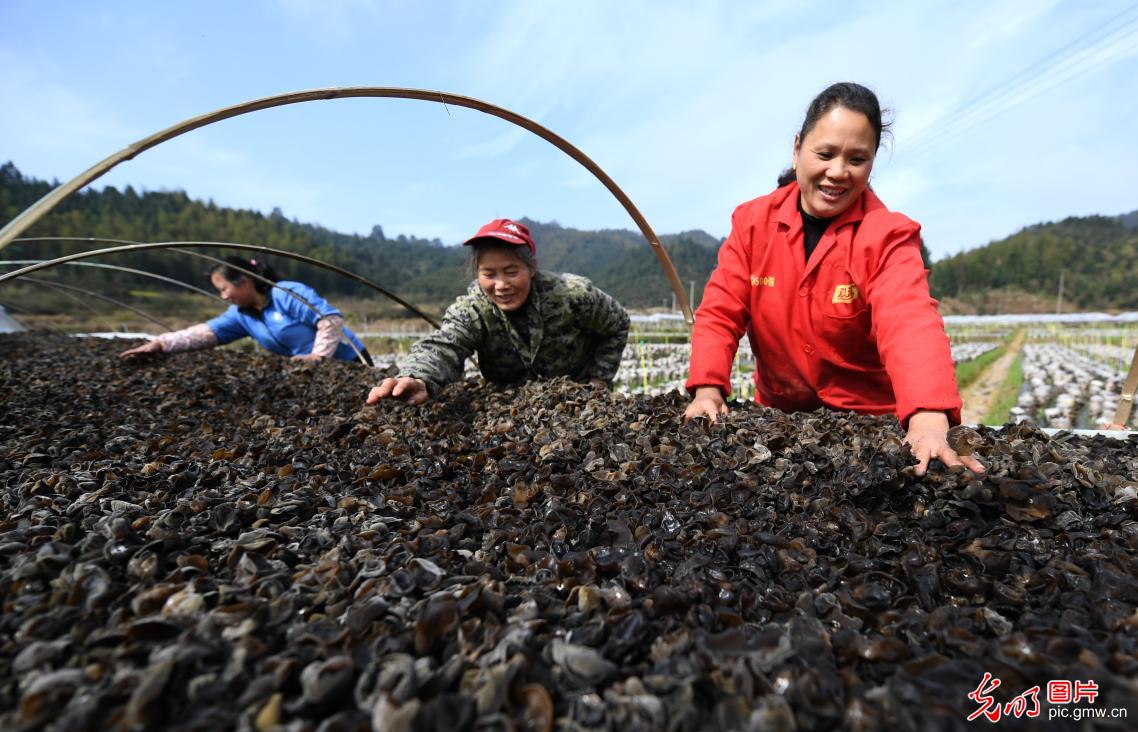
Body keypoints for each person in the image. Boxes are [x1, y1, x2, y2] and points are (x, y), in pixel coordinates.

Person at [684, 82, 984, 477]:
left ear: (873, 162)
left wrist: (928, 414)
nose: (838, 172)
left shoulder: (886, 236)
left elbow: (909, 320)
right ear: (796, 149)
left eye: (857, 159)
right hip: (780, 423)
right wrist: (708, 387)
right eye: (824, 154)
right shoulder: (753, 223)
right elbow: (721, 309)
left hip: (870, 426)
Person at [367, 218, 629, 405]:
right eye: (489, 274)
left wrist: (598, 381)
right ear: (477, 273)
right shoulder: (474, 308)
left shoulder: (573, 295)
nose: (501, 285)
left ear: (532, 268)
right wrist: (417, 377)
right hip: (509, 407)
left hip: (581, 404)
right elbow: (443, 345)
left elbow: (617, 324)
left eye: (512, 272)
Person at [119, 256, 371, 364]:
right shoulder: (242, 316)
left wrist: (318, 357)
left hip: (349, 361)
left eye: (224, 288)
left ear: (245, 281)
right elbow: (205, 333)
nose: (223, 296)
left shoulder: (284, 293)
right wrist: (161, 344)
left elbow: (330, 319)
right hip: (311, 373)